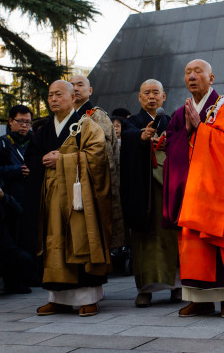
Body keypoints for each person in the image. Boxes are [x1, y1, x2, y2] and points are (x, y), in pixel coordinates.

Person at [163, 59, 224, 318]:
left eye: (198, 72)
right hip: (190, 190)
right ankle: (197, 298)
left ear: (211, 78)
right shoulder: (182, 112)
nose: (192, 76)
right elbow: (171, 144)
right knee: (192, 247)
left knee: (216, 243)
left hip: (217, 191)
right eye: (187, 72)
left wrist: (200, 130)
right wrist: (187, 132)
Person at [30, 80, 112, 317]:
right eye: (50, 95)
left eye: (58, 94)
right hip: (52, 198)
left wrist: (63, 160)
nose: (53, 99)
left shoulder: (87, 125)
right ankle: (58, 298)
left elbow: (97, 157)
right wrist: (42, 160)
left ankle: (89, 298)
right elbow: (32, 159)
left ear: (72, 97)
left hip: (79, 198)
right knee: (54, 243)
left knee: (82, 240)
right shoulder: (44, 129)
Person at [120, 79, 181, 308]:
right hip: (143, 191)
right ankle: (145, 289)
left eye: (156, 92)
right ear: (139, 97)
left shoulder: (173, 121)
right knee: (145, 239)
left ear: (164, 97)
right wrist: (140, 138)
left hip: (169, 188)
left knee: (172, 237)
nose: (151, 96)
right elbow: (128, 137)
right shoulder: (132, 124)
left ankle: (176, 286)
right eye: (146, 93)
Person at [70, 75, 125, 250]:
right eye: (71, 85)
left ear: (90, 90)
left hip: (94, 180)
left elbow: (105, 154)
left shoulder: (96, 115)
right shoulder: (67, 115)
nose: (76, 88)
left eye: (80, 85)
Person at [0, 105, 33, 248]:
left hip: (31, 200)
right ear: (10, 121)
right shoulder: (0, 144)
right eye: (20, 121)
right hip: (8, 201)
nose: (24, 125)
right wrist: (17, 170)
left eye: (28, 122)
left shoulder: (35, 143)